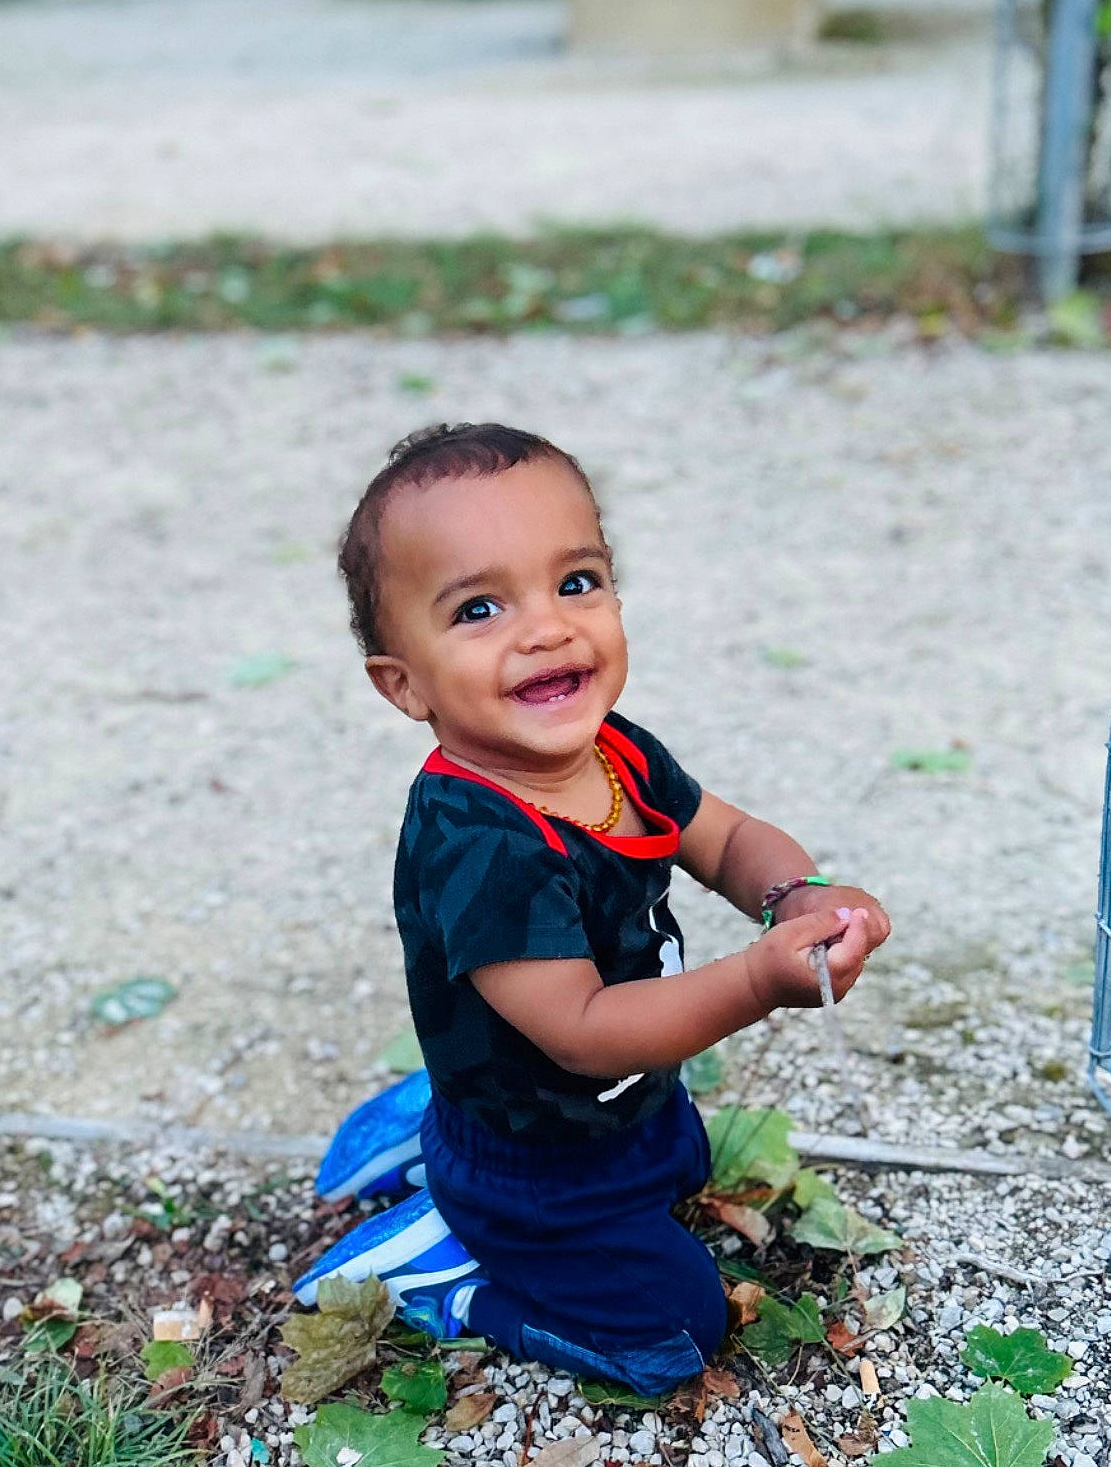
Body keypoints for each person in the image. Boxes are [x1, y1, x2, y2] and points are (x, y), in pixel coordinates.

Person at [294, 422, 890, 1395]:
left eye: (576, 582)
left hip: (623, 1105)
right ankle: (447, 1269)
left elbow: (726, 839)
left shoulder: (613, 750)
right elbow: (582, 1032)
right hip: (537, 1164)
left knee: (682, 1165)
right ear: (404, 685)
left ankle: (433, 1123)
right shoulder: (484, 844)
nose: (546, 629)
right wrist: (756, 979)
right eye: (479, 607)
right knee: (674, 1331)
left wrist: (796, 895)